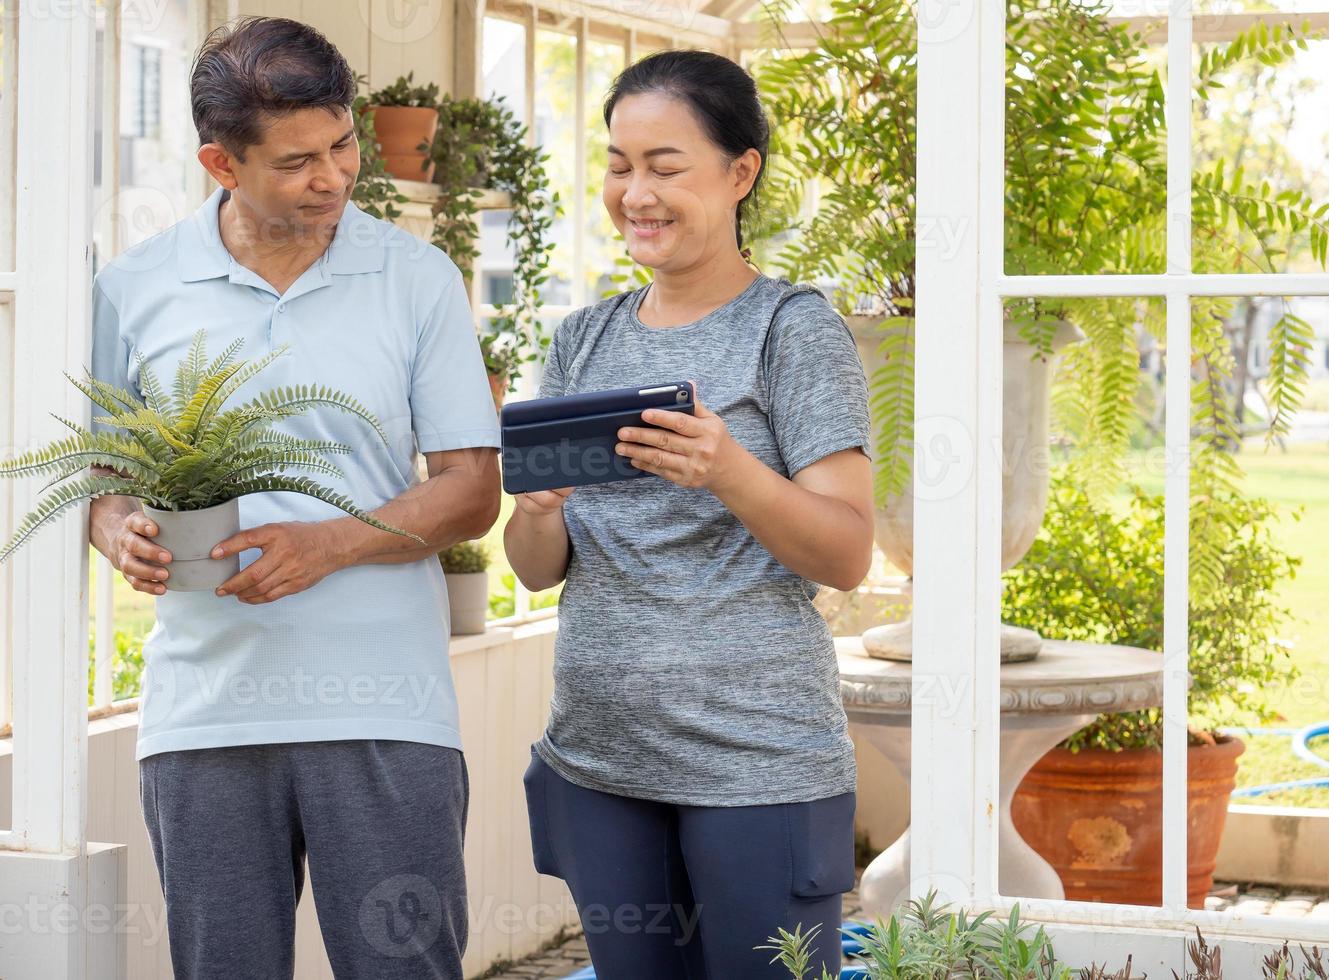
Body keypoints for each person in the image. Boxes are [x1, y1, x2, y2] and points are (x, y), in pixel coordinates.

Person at [86, 17, 500, 978]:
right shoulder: (132, 288)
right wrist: (119, 532)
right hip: (207, 711)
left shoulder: (416, 279)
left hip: (385, 708)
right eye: (298, 161)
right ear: (219, 164)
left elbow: (472, 491)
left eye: (344, 144)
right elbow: (103, 475)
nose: (336, 177)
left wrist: (329, 545)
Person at [504, 49, 875, 978]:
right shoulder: (583, 337)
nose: (636, 193)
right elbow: (536, 565)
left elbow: (845, 552)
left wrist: (728, 470)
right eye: (620, 166)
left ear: (739, 171)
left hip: (757, 767)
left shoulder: (791, 330)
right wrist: (538, 509)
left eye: (665, 167)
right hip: (597, 765)